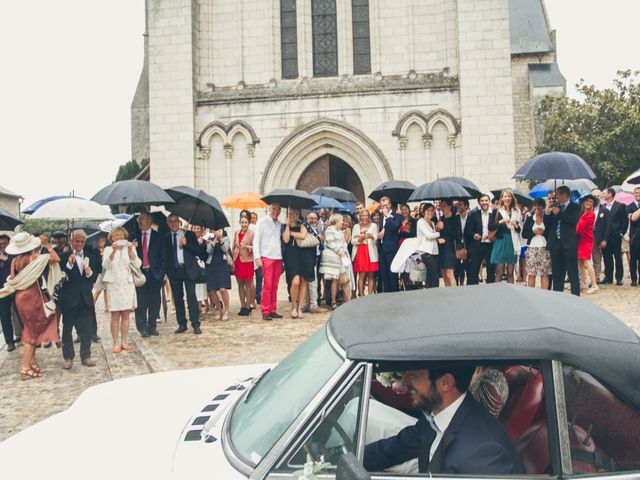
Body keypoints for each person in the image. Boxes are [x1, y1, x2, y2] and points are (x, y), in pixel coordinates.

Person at [364, 366, 524, 475]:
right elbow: (392, 450)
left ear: (445, 383)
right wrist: (344, 460)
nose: (405, 382)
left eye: (413, 376)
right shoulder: (436, 416)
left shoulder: (483, 453)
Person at [0, 233, 61, 379]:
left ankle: (32, 362)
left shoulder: (14, 260)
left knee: (29, 327)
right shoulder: (34, 258)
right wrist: (47, 245)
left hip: (20, 296)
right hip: (32, 295)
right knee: (32, 331)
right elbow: (55, 258)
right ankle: (25, 367)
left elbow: (14, 279)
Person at [58, 230, 101, 368]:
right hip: (69, 298)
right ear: (71, 242)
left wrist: (89, 272)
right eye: (77, 241)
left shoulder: (91, 256)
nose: (80, 244)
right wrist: (69, 265)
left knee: (87, 329)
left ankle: (86, 356)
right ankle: (68, 357)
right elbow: (60, 278)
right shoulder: (63, 257)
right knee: (67, 329)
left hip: (85, 298)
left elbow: (94, 279)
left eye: (82, 241)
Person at [164, 214, 206, 334]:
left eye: (175, 221)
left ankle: (195, 323)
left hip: (189, 269)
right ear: (168, 223)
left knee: (191, 297)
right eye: (171, 222)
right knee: (177, 298)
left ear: (179, 222)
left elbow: (199, 252)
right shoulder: (166, 237)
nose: (173, 224)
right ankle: (182, 323)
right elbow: (165, 256)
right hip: (174, 271)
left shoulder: (189, 235)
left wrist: (186, 244)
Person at [101, 227, 140, 353]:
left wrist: (130, 251)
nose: (118, 238)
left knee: (126, 314)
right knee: (115, 315)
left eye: (121, 236)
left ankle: (124, 341)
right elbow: (105, 265)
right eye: (115, 236)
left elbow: (138, 264)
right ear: (111, 238)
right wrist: (113, 252)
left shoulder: (130, 248)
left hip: (127, 284)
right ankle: (115, 343)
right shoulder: (108, 249)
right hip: (114, 284)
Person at [133, 212, 166, 337]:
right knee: (140, 302)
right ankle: (142, 328)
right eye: (139, 219)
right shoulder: (134, 236)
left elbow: (163, 256)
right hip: (140, 274)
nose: (141, 222)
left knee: (154, 301)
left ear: (150, 221)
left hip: (154, 273)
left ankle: (152, 326)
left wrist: (161, 273)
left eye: (143, 219)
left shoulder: (159, 236)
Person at [544, 185, 581, 296]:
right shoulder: (556, 206)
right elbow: (548, 224)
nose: (555, 198)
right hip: (555, 243)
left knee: (572, 271)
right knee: (557, 273)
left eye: (557, 195)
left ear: (564, 195)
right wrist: (547, 212)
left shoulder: (575, 207)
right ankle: (558, 295)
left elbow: (572, 220)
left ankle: (575, 295)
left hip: (569, 244)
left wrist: (559, 213)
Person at [282, 208, 315, 318]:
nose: (292, 215)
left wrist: (292, 232)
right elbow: (286, 240)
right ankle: (293, 306)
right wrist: (287, 226)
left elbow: (303, 235)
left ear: (298, 214)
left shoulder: (303, 225)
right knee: (295, 282)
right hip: (291, 256)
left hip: (303, 256)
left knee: (303, 282)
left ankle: (299, 308)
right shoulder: (284, 226)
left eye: (294, 213)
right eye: (290, 213)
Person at [253, 202, 284, 321]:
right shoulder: (262, 221)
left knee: (275, 285)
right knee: (267, 284)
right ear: (270, 209)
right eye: (274, 209)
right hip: (266, 256)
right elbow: (256, 240)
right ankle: (265, 310)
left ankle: (273, 309)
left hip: (278, 257)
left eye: (278, 209)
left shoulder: (280, 224)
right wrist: (257, 257)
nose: (276, 211)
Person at [320, 213, 352, 309]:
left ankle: (348, 301)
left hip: (341, 258)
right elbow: (329, 242)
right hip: (333, 259)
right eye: (342, 220)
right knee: (335, 280)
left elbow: (343, 243)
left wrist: (343, 250)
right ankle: (333, 301)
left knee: (345, 280)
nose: (343, 222)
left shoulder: (340, 231)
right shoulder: (330, 229)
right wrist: (339, 250)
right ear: (337, 221)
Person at [490, 190, 521, 284]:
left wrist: (515, 225)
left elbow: (519, 230)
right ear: (502, 198)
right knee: (499, 272)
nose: (507, 198)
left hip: (512, 241)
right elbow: (490, 226)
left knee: (511, 273)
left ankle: (510, 295)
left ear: (512, 198)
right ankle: (497, 294)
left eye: (509, 196)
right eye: (505, 196)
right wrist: (502, 221)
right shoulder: (497, 210)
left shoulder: (516, 211)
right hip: (501, 240)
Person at [522, 198, 551, 289]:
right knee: (531, 273)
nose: (537, 207)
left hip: (544, 248)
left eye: (539, 205)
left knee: (544, 273)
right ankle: (532, 295)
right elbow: (524, 234)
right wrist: (533, 232)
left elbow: (550, 232)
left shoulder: (546, 218)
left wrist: (543, 232)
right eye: (535, 205)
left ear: (543, 207)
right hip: (532, 248)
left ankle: (544, 294)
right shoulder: (530, 219)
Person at [467, 194, 496, 285]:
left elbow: (498, 228)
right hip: (478, 245)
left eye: (486, 200)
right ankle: (473, 291)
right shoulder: (474, 215)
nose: (484, 203)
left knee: (491, 270)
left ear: (489, 201)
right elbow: (468, 230)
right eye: (482, 201)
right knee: (474, 270)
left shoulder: (495, 214)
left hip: (491, 244)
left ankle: (490, 290)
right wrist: (474, 235)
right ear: (479, 203)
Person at [602, 187, 628, 285]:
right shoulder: (602, 206)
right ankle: (608, 277)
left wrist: (621, 233)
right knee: (606, 257)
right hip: (605, 237)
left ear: (610, 194)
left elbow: (624, 221)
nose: (603, 195)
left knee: (617, 257)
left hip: (616, 236)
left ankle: (619, 277)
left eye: (604, 193)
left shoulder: (620, 206)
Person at [302, 211, 326, 313]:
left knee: (310, 281)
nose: (313, 220)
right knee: (313, 281)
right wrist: (318, 238)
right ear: (307, 219)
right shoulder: (306, 228)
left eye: (315, 218)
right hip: (309, 258)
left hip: (315, 257)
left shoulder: (314, 229)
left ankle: (308, 304)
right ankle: (313, 305)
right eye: (311, 218)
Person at [205, 229, 232, 321]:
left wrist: (220, 239)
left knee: (223, 289)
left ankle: (226, 310)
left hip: (222, 265)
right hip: (211, 265)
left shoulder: (226, 238)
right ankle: (218, 309)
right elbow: (208, 251)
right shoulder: (209, 238)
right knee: (212, 290)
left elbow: (225, 249)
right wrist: (214, 240)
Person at [351, 209, 379, 297]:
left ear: (369, 216)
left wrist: (372, 237)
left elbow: (376, 240)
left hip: (371, 252)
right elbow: (352, 241)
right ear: (360, 217)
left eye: (366, 215)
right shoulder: (356, 226)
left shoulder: (373, 226)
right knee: (361, 274)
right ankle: (362, 295)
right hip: (360, 251)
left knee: (371, 275)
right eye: (363, 215)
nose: (364, 217)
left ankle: (370, 295)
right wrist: (360, 239)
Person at [377, 196, 402, 292]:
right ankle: (386, 294)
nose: (384, 208)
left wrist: (387, 216)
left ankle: (395, 295)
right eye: (382, 206)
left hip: (392, 249)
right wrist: (378, 235)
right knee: (384, 275)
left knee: (392, 274)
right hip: (382, 248)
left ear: (390, 205)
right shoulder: (381, 217)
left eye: (386, 205)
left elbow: (394, 228)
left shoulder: (397, 216)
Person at [232, 216, 255, 316]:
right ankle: (242, 305)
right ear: (240, 223)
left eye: (246, 222)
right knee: (240, 284)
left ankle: (248, 306)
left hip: (247, 261)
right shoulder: (237, 232)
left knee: (248, 285)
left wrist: (246, 247)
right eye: (242, 222)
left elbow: (255, 247)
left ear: (248, 223)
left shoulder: (252, 233)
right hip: (238, 261)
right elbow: (233, 245)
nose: (244, 224)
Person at [436, 199, 461, 287]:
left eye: (444, 206)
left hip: (450, 248)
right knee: (444, 274)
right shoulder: (441, 218)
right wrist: (438, 229)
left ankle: (454, 293)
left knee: (450, 273)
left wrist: (444, 228)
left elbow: (457, 235)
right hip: (441, 248)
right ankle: (448, 293)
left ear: (450, 206)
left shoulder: (455, 218)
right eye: (441, 206)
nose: (442, 208)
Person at [577, 195, 598, 293]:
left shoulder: (591, 214)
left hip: (586, 240)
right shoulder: (583, 213)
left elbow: (580, 227)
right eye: (587, 201)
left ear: (593, 204)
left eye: (590, 201)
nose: (588, 203)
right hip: (581, 240)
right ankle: (584, 284)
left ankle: (594, 284)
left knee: (587, 262)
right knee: (580, 262)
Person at [416, 203, 440, 288]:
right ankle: (434, 292)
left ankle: (430, 293)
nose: (430, 212)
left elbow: (433, 237)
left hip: (434, 252)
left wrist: (437, 231)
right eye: (428, 211)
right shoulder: (420, 222)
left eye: (432, 210)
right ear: (423, 212)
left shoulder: (433, 223)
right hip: (425, 252)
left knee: (430, 275)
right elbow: (429, 236)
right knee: (434, 275)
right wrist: (439, 234)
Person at [0, 234, 16, 352]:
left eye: (5, 244)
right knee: (5, 316)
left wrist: (6, 259)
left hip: (15, 288)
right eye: (1, 244)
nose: (3, 246)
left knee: (21, 314)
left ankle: (28, 338)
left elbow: (18, 266)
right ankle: (9, 342)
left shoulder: (14, 254)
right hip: (2, 291)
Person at [454, 199, 472, 286]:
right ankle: (457, 285)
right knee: (456, 269)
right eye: (458, 205)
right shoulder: (455, 219)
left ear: (466, 206)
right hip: (457, 247)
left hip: (469, 246)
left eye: (461, 205)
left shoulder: (472, 218)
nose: (458, 207)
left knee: (469, 269)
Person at [627, 186, 640, 286]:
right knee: (633, 259)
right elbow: (633, 218)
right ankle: (633, 279)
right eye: (636, 193)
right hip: (634, 237)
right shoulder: (629, 206)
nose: (638, 195)